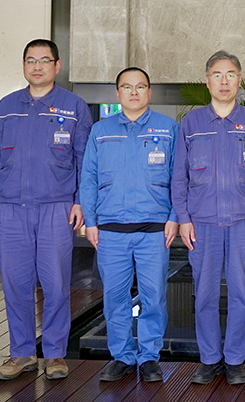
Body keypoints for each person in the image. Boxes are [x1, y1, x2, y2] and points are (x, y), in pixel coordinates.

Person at [0, 39, 92, 381]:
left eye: (44, 60)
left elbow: (85, 160)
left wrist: (80, 201)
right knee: (16, 284)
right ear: (24, 65)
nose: (37, 66)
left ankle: (55, 354)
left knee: (56, 284)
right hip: (11, 208)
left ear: (57, 66)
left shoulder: (74, 106)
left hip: (56, 208)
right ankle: (22, 354)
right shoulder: (7, 105)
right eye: (31, 60)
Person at [171, 51, 245, 385]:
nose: (224, 81)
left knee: (242, 293)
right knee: (205, 294)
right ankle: (210, 358)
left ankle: (235, 359)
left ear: (240, 80)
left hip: (244, 222)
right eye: (217, 74)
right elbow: (179, 176)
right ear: (207, 80)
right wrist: (184, 218)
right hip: (202, 223)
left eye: (230, 74)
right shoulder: (192, 124)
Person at [80, 67, 179, 383]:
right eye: (127, 87)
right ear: (117, 93)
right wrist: (90, 221)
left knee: (154, 297)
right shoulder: (101, 130)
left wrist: (175, 216)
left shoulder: (168, 128)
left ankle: (149, 357)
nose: (134, 92)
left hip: (154, 231)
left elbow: (180, 177)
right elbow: (89, 177)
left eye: (140, 86)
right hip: (111, 231)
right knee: (115, 298)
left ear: (150, 92)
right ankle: (122, 356)